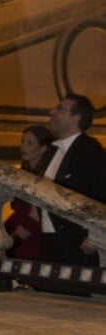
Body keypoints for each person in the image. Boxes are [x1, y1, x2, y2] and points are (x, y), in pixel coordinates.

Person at [39, 94, 106, 266]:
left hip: (78, 242)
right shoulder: (51, 151)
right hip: (49, 237)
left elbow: (101, 194)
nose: (51, 111)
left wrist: (96, 235)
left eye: (60, 109)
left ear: (76, 118)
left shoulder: (90, 150)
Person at [3, 124, 54, 260]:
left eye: (29, 143)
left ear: (43, 149)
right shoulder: (24, 175)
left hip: (33, 244)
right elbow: (17, 214)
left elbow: (35, 218)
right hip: (20, 241)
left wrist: (13, 241)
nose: (23, 147)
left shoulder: (45, 178)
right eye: (22, 142)